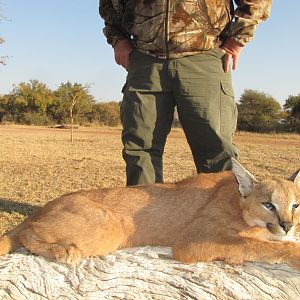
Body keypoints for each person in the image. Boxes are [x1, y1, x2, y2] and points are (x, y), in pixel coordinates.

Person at [99, 0, 272, 186]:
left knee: (217, 153)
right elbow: (109, 5)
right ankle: (144, 216)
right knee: (140, 153)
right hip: (144, 60)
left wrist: (238, 38)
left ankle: (221, 215)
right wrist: (118, 40)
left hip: (204, 57)